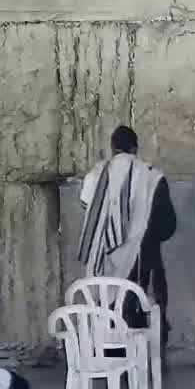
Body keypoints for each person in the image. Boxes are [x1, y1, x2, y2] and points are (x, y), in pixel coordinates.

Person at [77, 126, 176, 356]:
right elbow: (168, 224)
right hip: (142, 265)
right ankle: (145, 358)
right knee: (141, 304)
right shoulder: (151, 176)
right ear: (135, 148)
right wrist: (144, 238)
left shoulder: (95, 176)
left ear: (113, 149)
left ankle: (105, 350)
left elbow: (88, 209)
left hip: (102, 264)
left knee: (106, 302)